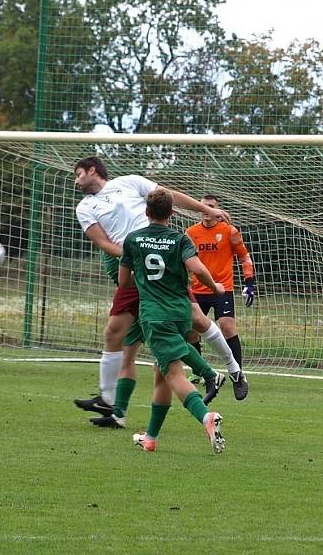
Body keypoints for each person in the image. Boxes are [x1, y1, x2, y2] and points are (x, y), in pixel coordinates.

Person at [72, 156, 247, 428]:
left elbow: (170, 196)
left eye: (79, 174)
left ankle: (234, 370)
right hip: (133, 268)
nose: (76, 180)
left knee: (195, 322)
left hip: (158, 267)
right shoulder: (84, 207)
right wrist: (135, 253)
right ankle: (113, 406)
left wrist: (207, 210)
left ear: (93, 170)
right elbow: (103, 243)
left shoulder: (128, 182)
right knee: (116, 335)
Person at [120, 189, 226, 453]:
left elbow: (123, 282)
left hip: (155, 316)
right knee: (161, 375)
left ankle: (206, 416)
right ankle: (151, 437)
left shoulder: (133, 240)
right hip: (181, 313)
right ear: (172, 213)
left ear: (146, 213)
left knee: (174, 374)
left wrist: (144, 281)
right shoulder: (181, 239)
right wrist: (215, 288)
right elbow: (198, 269)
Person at [186, 194, 253, 399]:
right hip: (198, 289)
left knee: (227, 326)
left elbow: (244, 256)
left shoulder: (229, 231)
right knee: (191, 333)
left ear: (218, 209)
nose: (207, 210)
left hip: (222, 289)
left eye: (211, 207)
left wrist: (250, 282)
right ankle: (202, 374)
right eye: (204, 207)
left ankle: (238, 374)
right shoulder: (190, 233)